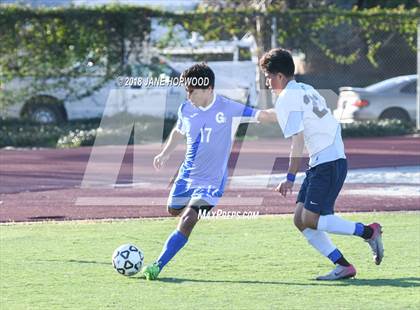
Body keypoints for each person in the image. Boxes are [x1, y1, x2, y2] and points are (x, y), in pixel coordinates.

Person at [141, 63, 275, 280]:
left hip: (212, 182)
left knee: (188, 218)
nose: (188, 94)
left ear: (208, 88)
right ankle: (189, 208)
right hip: (186, 176)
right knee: (173, 210)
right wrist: (165, 153)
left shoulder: (229, 108)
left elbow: (264, 116)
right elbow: (179, 130)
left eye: (191, 90)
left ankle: (157, 265)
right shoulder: (185, 109)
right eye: (186, 89)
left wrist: (292, 110)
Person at [259, 48, 384, 280]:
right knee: (300, 219)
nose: (266, 82)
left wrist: (289, 177)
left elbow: (297, 141)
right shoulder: (303, 89)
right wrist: (244, 113)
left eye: (267, 76)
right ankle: (344, 266)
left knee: (311, 219)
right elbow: (277, 115)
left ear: (279, 76)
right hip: (324, 161)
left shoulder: (287, 97)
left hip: (328, 162)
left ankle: (369, 231)